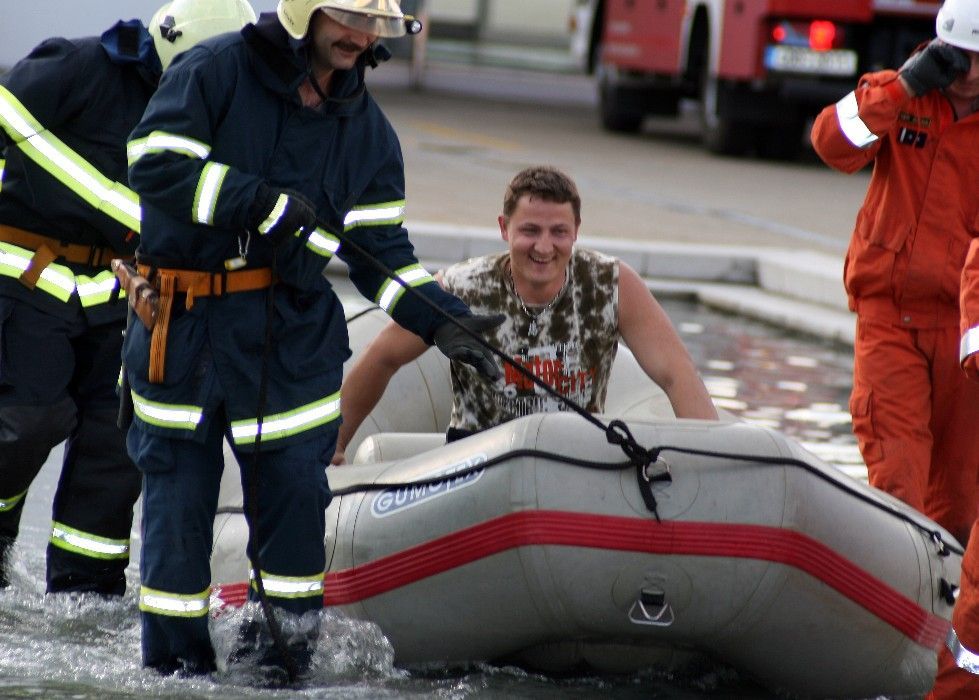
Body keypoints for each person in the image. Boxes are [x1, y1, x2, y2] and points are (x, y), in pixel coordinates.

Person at [123, 0, 500, 677]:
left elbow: (380, 251)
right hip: (182, 330)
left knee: (298, 502)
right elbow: (154, 165)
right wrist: (256, 200)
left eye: (374, 26)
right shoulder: (216, 71)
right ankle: (173, 676)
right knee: (177, 515)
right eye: (350, 21)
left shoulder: (367, 131)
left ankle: (277, 669)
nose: (361, 38)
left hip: (289, 336)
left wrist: (441, 318)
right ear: (304, 13)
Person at [0, 0, 255, 595]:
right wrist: (130, 212)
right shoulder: (79, 65)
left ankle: (86, 592)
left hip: (123, 294)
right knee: (28, 422)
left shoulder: (209, 107)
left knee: (112, 451)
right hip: (28, 275)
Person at [332, 165, 719, 464]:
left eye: (559, 232)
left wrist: (708, 459)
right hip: (474, 459)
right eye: (530, 230)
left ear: (577, 231)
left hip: (576, 458)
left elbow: (676, 371)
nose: (544, 247)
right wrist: (333, 445)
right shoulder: (460, 287)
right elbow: (383, 357)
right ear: (504, 228)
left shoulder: (611, 284)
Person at [811, 0, 979, 548]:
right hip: (890, 317)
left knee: (960, 502)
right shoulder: (896, 95)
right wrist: (902, 88)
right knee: (897, 486)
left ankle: (948, 626)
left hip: (963, 334)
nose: (969, 74)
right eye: (961, 58)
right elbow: (831, 145)